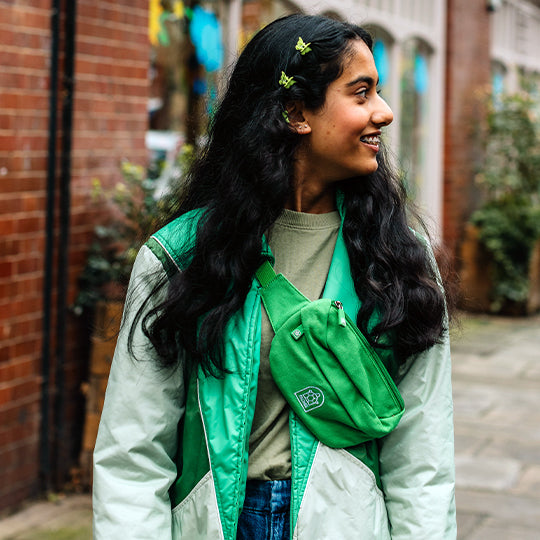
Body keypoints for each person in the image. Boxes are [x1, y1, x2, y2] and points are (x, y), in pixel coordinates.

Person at [93, 13, 456, 540]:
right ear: (295, 112)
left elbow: (422, 454)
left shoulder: (398, 257)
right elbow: (133, 454)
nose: (386, 112)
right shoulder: (180, 258)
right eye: (361, 93)